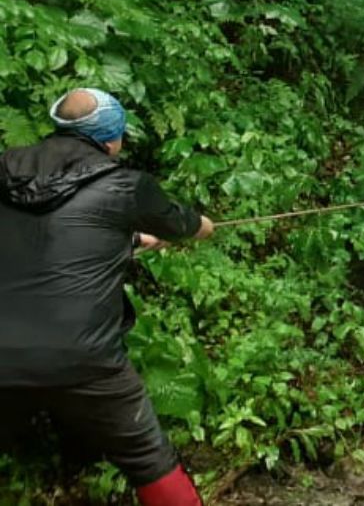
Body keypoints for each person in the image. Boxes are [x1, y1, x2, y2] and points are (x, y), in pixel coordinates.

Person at [0, 88, 215, 506]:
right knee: (147, 457)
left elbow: (46, 235)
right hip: (84, 358)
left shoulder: (4, 172)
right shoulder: (125, 186)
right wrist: (205, 226)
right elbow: (186, 225)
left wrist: (129, 238)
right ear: (110, 139)